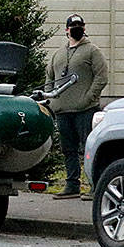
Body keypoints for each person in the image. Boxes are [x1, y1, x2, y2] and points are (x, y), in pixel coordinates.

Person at [46, 14, 109, 200]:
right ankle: (72, 185)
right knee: (68, 150)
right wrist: (51, 100)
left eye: (79, 25)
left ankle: (95, 186)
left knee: (89, 148)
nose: (76, 28)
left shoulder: (92, 51)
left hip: (85, 110)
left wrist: (88, 98)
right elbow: (49, 77)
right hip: (62, 111)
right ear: (66, 30)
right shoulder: (58, 54)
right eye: (72, 25)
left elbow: (101, 77)